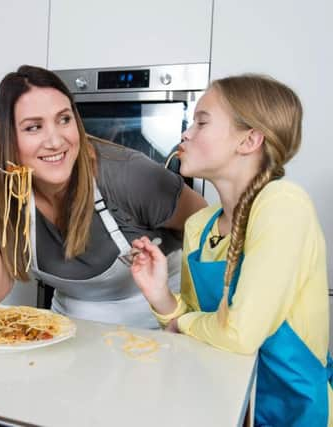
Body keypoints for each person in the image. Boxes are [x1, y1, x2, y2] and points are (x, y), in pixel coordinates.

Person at [0, 65, 206, 328]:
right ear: (8, 138)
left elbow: (207, 230)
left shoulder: (128, 174)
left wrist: (199, 323)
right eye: (33, 127)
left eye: (64, 119)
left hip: (158, 326)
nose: (55, 141)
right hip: (69, 327)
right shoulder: (8, 187)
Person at [130, 74, 332, 425]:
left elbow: (239, 334)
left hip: (292, 408)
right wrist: (160, 294)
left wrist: (182, 322)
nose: (185, 133)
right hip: (223, 403)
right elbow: (191, 326)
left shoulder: (282, 205)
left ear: (250, 139)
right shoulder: (200, 225)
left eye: (202, 122)